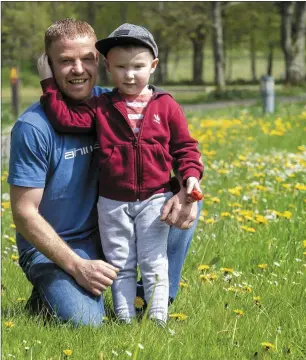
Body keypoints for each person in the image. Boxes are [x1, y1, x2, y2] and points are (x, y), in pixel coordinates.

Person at [8, 18, 202, 328]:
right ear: (50, 65)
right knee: (86, 323)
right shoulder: (33, 128)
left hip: (112, 223)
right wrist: (75, 265)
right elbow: (23, 214)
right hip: (58, 244)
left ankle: (150, 303)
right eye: (65, 61)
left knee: (182, 201)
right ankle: (49, 294)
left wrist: (185, 188)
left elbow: (177, 147)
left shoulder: (115, 100)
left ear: (101, 62)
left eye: (86, 59)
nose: (78, 69)